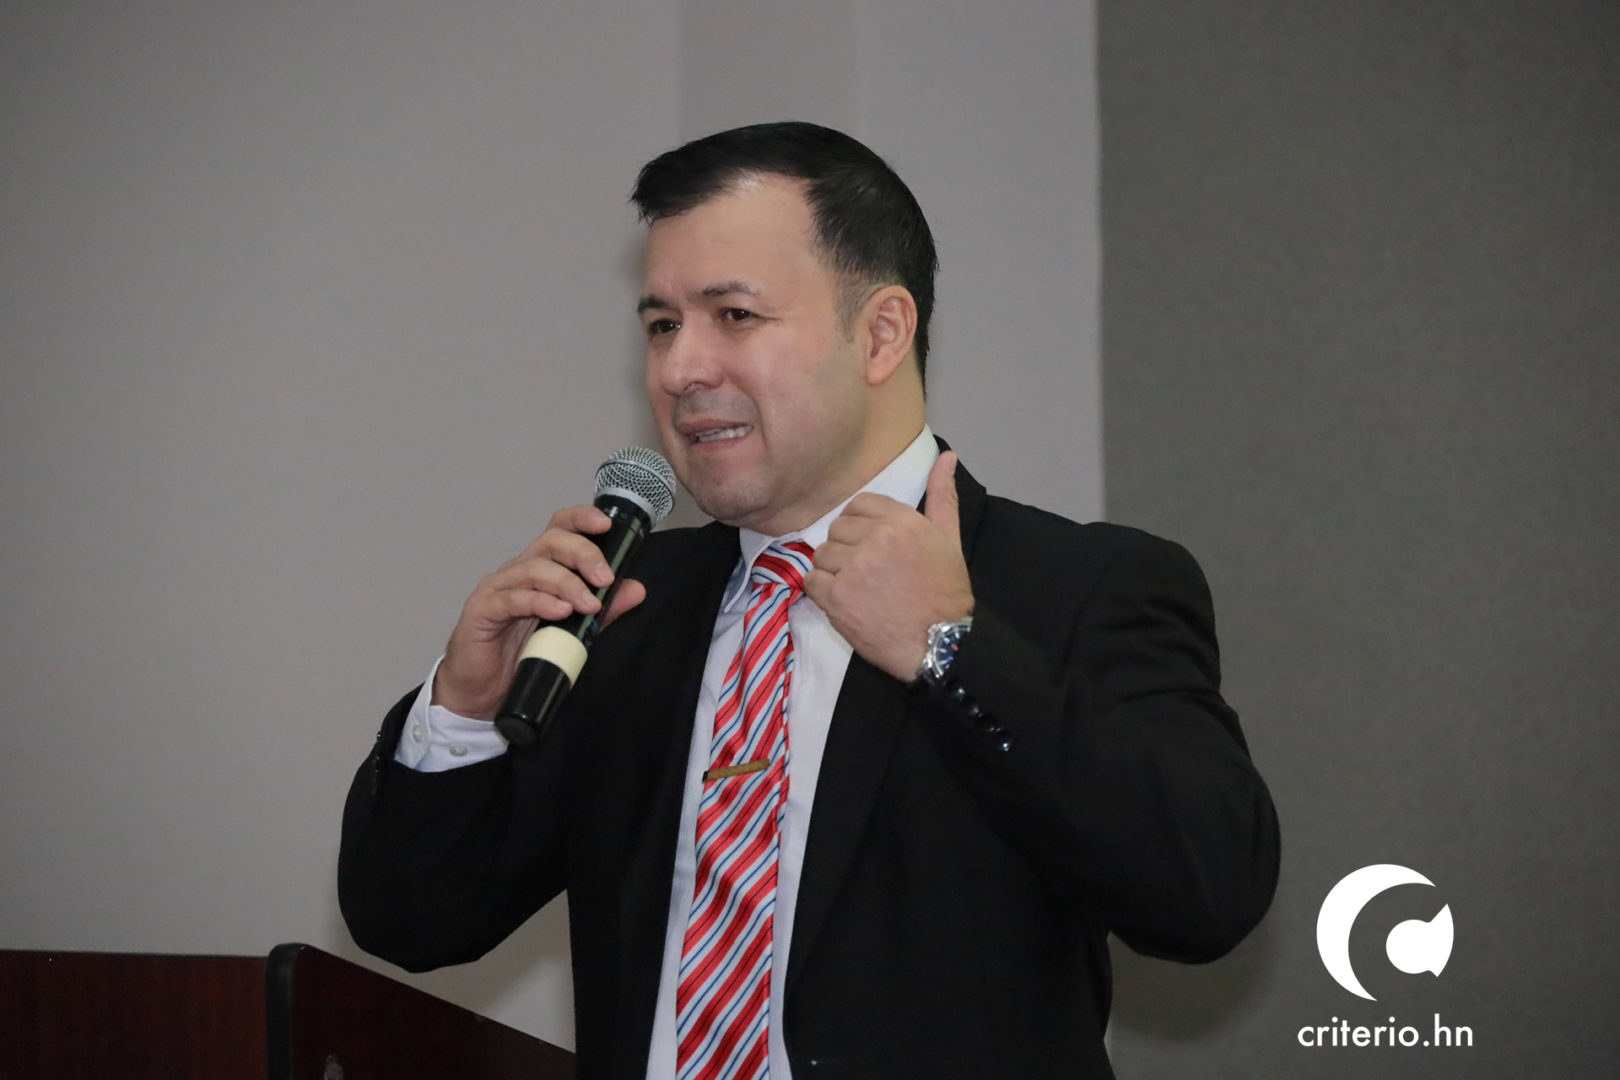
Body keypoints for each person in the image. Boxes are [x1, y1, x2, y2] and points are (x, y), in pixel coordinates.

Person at [339, 121, 1279, 1080]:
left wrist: (951, 651)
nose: (679, 370)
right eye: (662, 326)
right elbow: (413, 921)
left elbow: (1206, 895)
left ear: (881, 334)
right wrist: (462, 713)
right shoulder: (627, 608)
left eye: (733, 315)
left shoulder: (1076, 585)